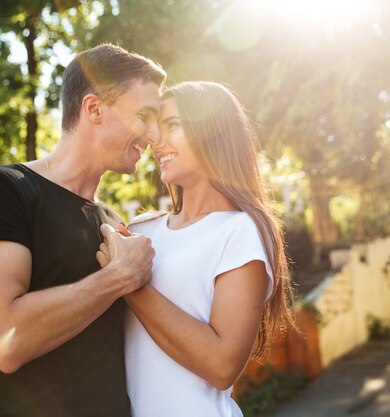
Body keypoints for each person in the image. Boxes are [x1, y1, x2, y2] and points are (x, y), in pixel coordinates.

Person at [0, 44, 166, 417]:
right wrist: (118, 277)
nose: (154, 134)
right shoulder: (0, 189)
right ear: (94, 108)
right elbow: (6, 343)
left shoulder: (116, 229)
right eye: (144, 116)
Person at [95, 81, 295, 417]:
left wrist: (129, 283)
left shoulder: (240, 231)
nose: (155, 141)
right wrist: (6, 318)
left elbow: (222, 366)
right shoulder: (141, 230)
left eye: (172, 125)